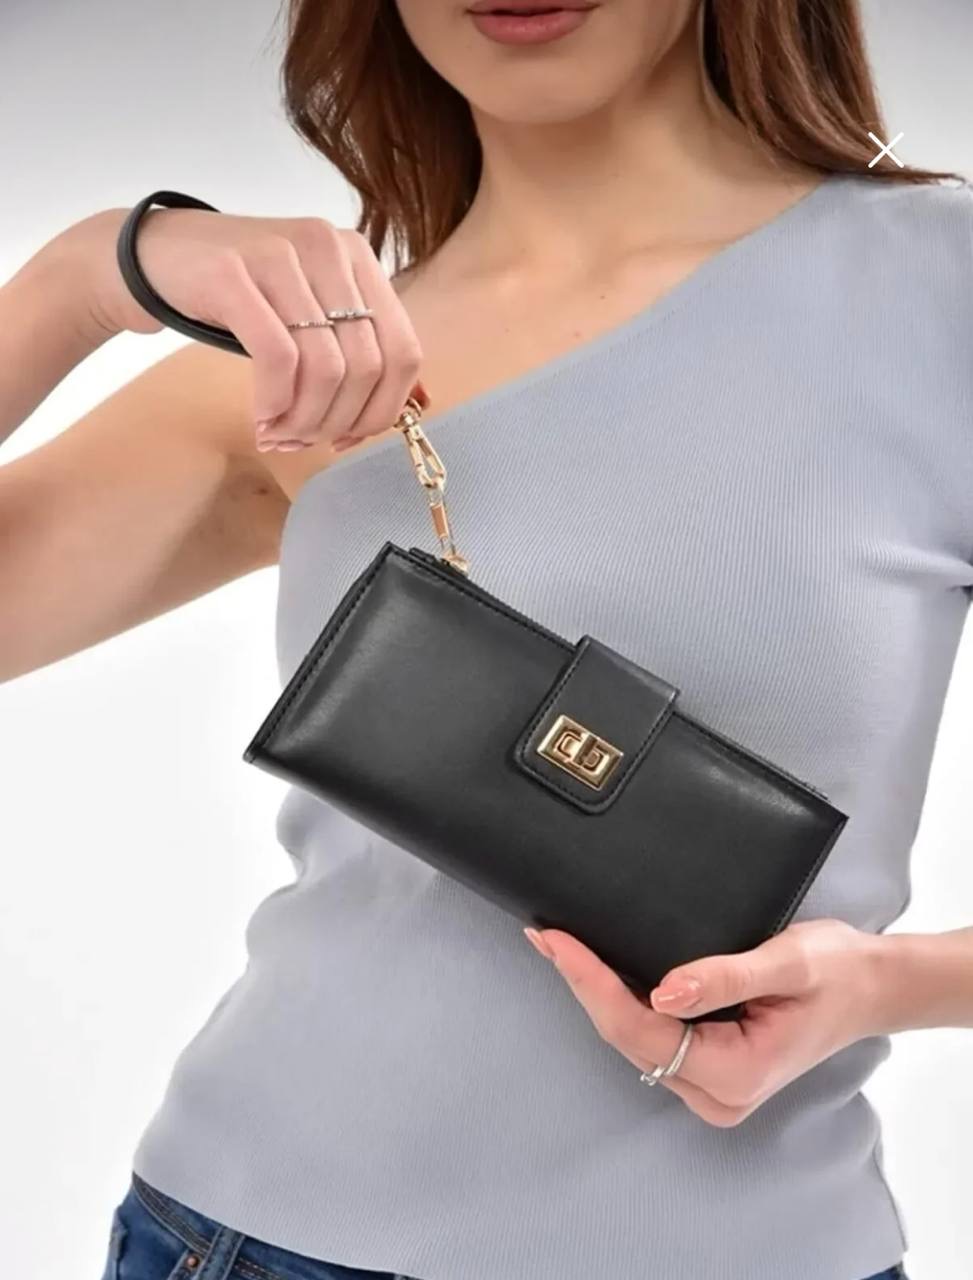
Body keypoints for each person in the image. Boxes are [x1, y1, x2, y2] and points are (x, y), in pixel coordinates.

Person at [1, 1, 971, 1278]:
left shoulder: (938, 288)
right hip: (251, 1233)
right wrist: (87, 278)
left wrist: (888, 985)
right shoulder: (304, 372)